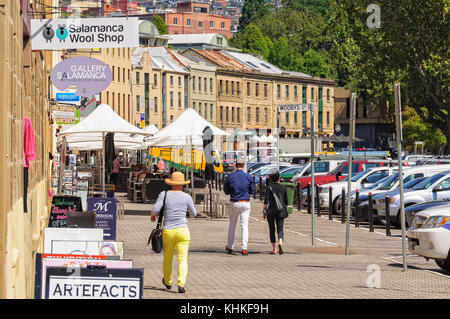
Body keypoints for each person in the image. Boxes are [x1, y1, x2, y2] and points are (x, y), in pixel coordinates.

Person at [150, 172, 197, 293]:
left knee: (168, 258)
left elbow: (155, 209)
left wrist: (153, 215)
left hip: (168, 231)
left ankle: (168, 281)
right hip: (183, 231)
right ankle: (181, 284)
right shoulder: (187, 197)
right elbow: (194, 214)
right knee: (182, 259)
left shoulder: (164, 194)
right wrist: (186, 212)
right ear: (182, 184)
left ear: (171, 183)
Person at [223, 157, 255, 256]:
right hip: (245, 202)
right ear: (244, 165)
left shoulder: (230, 176)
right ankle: (244, 248)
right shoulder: (248, 177)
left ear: (236, 165)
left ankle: (230, 246)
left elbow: (226, 191)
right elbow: (252, 191)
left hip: (234, 202)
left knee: (232, 225)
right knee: (244, 226)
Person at [263, 171, 288, 255]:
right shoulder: (283, 187)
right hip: (281, 210)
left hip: (271, 211)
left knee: (272, 228)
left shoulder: (268, 187)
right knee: (280, 228)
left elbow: (266, 201)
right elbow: (286, 202)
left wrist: (264, 212)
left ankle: (274, 249)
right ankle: (280, 242)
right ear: (278, 178)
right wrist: (285, 210)